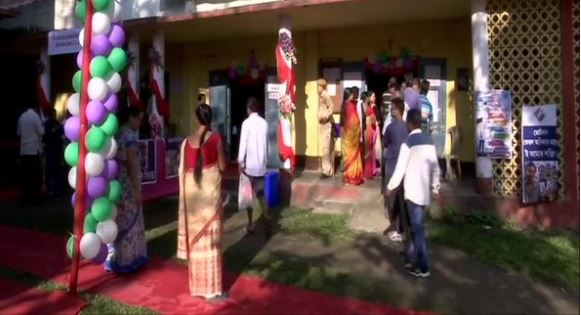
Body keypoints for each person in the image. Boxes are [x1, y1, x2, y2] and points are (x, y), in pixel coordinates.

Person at [177, 104, 228, 300]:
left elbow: (183, 171)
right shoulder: (216, 139)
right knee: (212, 242)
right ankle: (212, 289)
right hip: (210, 200)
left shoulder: (185, 142)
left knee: (196, 243)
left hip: (193, 203)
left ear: (196, 119)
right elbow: (222, 167)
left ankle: (197, 287)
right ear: (210, 119)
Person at [387, 109, 440, 278]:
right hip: (425, 193)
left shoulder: (407, 143)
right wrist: (435, 187)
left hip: (412, 193)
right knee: (418, 227)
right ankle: (410, 257)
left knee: (417, 230)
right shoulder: (430, 142)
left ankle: (423, 267)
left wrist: (390, 186)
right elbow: (436, 167)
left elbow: (399, 170)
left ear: (410, 123)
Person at [105, 107, 148, 273]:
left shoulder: (116, 135)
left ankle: (114, 257)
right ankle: (128, 258)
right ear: (131, 117)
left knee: (118, 219)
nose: (139, 123)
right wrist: (137, 189)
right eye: (139, 119)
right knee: (131, 220)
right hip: (128, 184)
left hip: (116, 183)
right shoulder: (129, 137)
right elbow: (132, 165)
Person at [238, 97, 271, 238]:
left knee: (248, 196)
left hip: (248, 168)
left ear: (249, 108)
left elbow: (243, 144)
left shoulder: (246, 123)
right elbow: (268, 145)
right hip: (260, 167)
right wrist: (266, 161)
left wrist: (240, 161)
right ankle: (267, 221)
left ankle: (250, 223)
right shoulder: (264, 123)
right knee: (261, 196)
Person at [382, 99, 409, 242]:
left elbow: (385, 143)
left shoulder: (391, 128)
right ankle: (402, 229)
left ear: (398, 110)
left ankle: (395, 228)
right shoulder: (408, 127)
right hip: (404, 168)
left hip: (392, 167)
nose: (391, 111)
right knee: (402, 200)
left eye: (392, 109)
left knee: (391, 201)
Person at [17, 104, 44, 205]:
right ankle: (35, 199)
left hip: (24, 150)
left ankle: (24, 198)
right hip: (34, 149)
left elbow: (19, 133)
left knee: (25, 176)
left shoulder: (22, 117)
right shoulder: (35, 116)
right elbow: (41, 131)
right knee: (34, 176)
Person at [342, 88, 364, 185]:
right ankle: (353, 177)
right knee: (354, 156)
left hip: (346, 134)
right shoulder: (350, 105)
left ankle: (347, 176)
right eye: (351, 94)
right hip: (351, 135)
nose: (353, 96)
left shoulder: (343, 105)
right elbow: (355, 121)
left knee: (347, 156)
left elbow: (343, 120)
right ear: (348, 95)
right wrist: (358, 128)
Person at [43, 107, 64, 196]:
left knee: (49, 170)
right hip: (56, 149)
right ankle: (56, 189)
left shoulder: (45, 124)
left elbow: (44, 137)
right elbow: (61, 134)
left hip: (49, 149)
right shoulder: (57, 123)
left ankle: (50, 189)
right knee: (56, 170)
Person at [318, 79, 336, 179]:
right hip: (323, 125)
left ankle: (326, 170)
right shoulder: (321, 96)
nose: (317, 89)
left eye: (318, 86)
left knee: (326, 148)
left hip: (326, 124)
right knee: (325, 148)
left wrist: (325, 116)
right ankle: (327, 169)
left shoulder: (325, 95)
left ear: (322, 86)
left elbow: (331, 106)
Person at [362, 92, 378, 179]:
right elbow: (373, 120)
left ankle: (364, 171)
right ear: (366, 98)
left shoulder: (361, 107)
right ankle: (368, 172)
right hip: (368, 129)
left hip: (363, 129)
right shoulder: (369, 108)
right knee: (369, 150)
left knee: (364, 150)